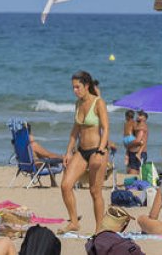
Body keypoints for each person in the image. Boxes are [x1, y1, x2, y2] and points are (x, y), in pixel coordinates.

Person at [58, 70, 111, 234]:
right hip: (81, 151)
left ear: (86, 86)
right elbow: (75, 130)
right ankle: (74, 222)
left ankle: (99, 229)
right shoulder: (78, 104)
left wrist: (100, 151)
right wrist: (68, 152)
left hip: (97, 150)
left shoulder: (98, 102)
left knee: (95, 191)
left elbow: (106, 128)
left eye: (77, 87)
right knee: (66, 185)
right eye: (73, 87)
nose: (74, 90)